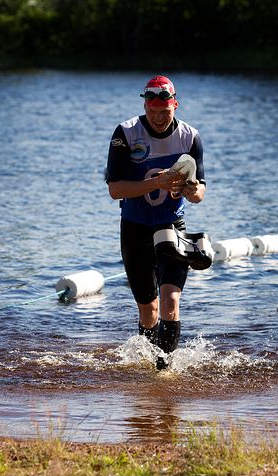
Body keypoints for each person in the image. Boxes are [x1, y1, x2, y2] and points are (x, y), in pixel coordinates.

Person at [105, 75, 206, 369]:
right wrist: (158, 183)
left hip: (171, 227)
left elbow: (200, 191)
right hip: (135, 227)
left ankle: (165, 373)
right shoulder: (125, 133)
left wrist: (190, 189)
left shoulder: (190, 136)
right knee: (148, 311)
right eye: (153, 112)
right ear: (145, 106)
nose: (159, 118)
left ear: (175, 104)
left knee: (170, 301)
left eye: (165, 111)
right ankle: (149, 371)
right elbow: (115, 190)